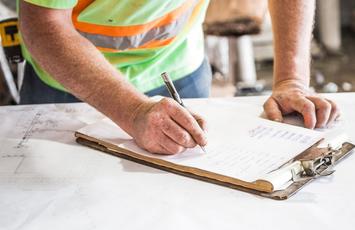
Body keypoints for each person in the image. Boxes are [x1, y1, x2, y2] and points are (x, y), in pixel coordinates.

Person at [18, 0, 339, 155]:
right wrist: (132, 110)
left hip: (180, 70)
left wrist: (291, 80)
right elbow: (44, 25)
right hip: (73, 86)